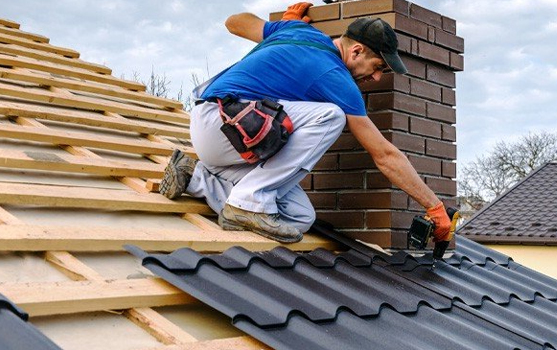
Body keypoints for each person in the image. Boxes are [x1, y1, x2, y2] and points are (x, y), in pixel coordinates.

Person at [159, 2, 452, 244]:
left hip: (227, 141)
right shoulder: (336, 78)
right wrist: (433, 206)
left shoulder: (296, 29)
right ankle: (247, 202)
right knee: (331, 116)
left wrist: (280, 29)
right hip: (222, 121)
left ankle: (195, 177)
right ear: (357, 51)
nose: (376, 78)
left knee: (299, 218)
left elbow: (234, 21)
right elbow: (385, 155)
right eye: (378, 67)